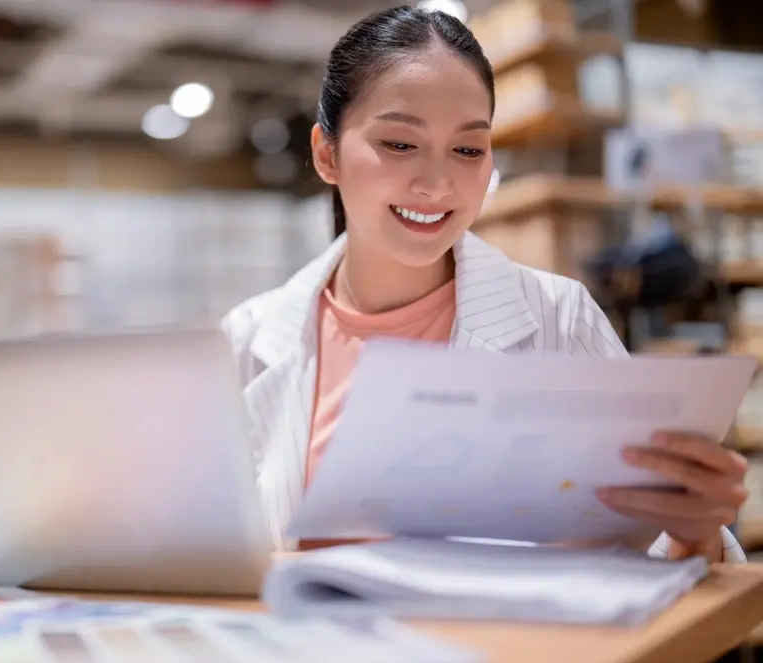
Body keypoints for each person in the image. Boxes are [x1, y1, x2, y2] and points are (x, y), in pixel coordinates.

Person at [222, 5, 748, 561]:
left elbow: (655, 550)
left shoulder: (558, 318)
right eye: (400, 144)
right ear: (326, 154)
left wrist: (695, 531)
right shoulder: (245, 340)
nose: (437, 183)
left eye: (468, 149)